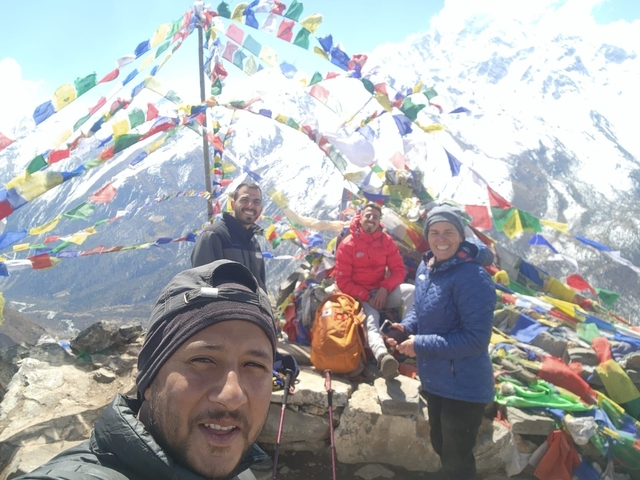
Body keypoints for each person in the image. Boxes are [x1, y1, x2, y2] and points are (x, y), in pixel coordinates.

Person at [17, 260, 277, 480]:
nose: (232, 395)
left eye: (254, 365)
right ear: (150, 378)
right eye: (203, 360)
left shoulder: (239, 469)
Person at [387, 205, 495, 480]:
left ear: (461, 236)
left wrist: (419, 344)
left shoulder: (473, 277)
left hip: (464, 384)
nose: (441, 238)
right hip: (436, 378)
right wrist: (404, 327)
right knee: (440, 444)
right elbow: (421, 309)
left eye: (449, 231)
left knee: (457, 459)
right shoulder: (428, 265)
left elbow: (476, 339)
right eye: (434, 232)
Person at [334, 203, 415, 378]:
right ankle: (383, 356)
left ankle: (408, 339)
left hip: (380, 290)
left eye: (375, 217)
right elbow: (342, 281)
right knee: (371, 318)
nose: (371, 219)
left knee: (411, 291)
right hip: (358, 295)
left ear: (379, 222)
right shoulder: (348, 245)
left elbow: (398, 270)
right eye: (368, 215)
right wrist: (365, 296)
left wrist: (385, 288)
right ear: (360, 217)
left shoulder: (386, 241)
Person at [191, 183, 266, 292]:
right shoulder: (213, 236)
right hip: (224, 308)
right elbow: (201, 287)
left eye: (256, 202)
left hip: (252, 308)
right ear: (233, 203)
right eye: (244, 200)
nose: (250, 206)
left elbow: (261, 287)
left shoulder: (254, 244)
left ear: (260, 208)